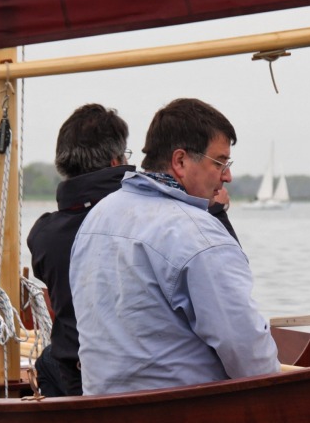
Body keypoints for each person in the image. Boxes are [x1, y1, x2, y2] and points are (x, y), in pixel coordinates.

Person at [69, 98, 280, 395]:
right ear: (180, 161)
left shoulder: (98, 216)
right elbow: (245, 348)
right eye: (220, 162)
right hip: (183, 421)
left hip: (104, 413)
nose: (228, 176)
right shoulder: (197, 233)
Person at [26, 103, 240, 397]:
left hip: (80, 374)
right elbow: (225, 291)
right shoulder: (147, 219)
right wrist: (213, 213)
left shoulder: (43, 234)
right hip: (142, 383)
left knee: (47, 360)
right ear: (116, 161)